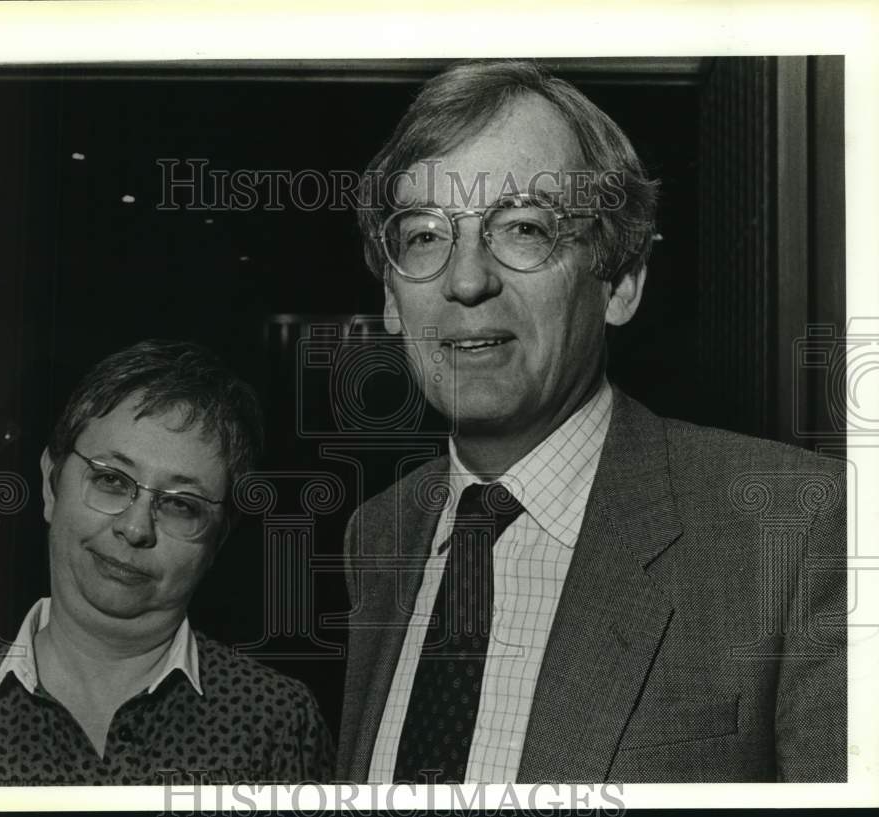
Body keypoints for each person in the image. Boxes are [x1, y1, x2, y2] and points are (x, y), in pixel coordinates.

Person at [337, 60, 846, 784]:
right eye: (424, 235)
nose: (467, 279)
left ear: (621, 281)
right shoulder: (379, 534)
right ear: (391, 297)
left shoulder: (798, 530)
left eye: (523, 228)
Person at [0, 340, 333, 785]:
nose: (135, 527)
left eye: (181, 504)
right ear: (52, 486)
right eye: (110, 479)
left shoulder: (278, 724)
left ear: (218, 538)